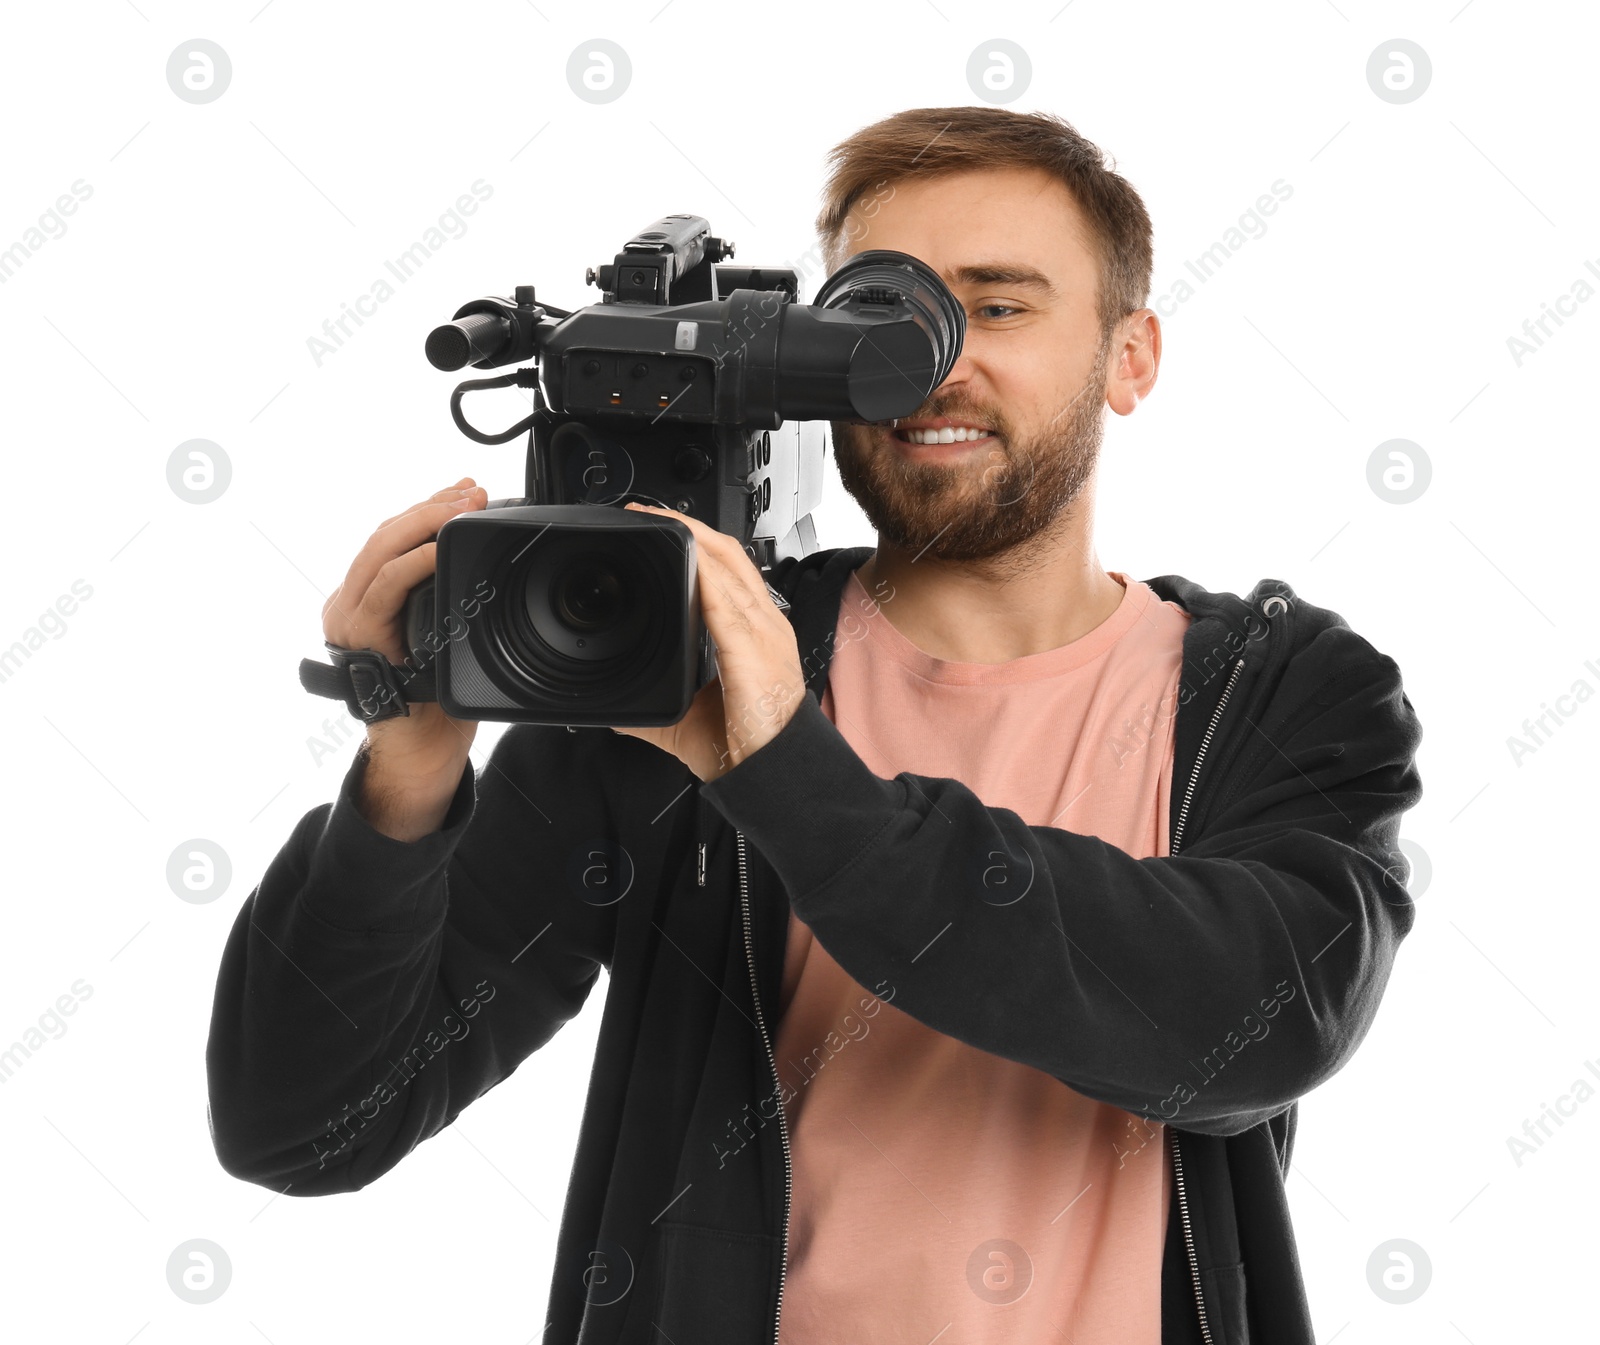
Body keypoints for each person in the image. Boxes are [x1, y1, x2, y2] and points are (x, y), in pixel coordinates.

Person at [207, 105, 1424, 1345]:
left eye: (998, 309)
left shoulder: (1283, 693)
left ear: (1130, 355)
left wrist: (784, 771)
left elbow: (1244, 1028)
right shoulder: (668, 670)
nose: (934, 367)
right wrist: (404, 777)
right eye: (879, 318)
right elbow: (304, 1127)